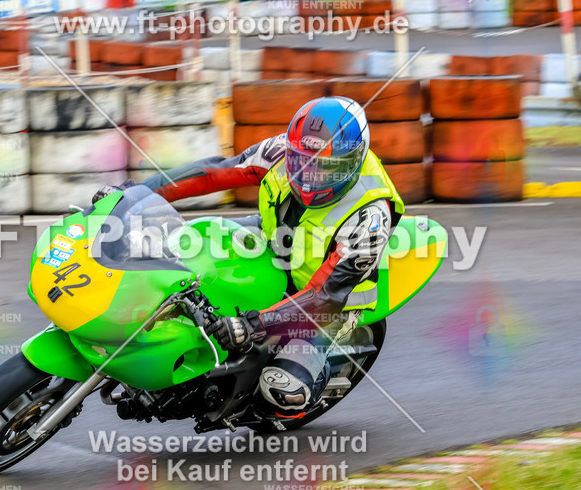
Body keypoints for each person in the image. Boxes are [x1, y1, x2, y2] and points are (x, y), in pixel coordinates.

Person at [101, 96, 403, 417]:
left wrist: (254, 324)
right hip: (274, 243)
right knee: (188, 246)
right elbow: (214, 173)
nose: (310, 176)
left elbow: (325, 296)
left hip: (330, 303)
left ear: (353, 162)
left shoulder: (370, 216)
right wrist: (136, 194)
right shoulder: (283, 151)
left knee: (284, 389)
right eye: (302, 162)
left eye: (325, 168)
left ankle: (298, 383)